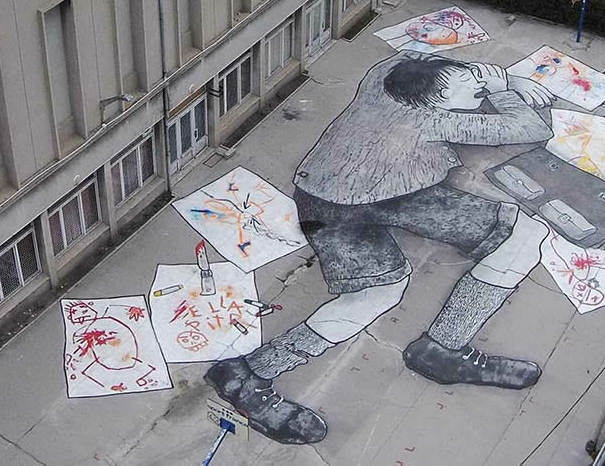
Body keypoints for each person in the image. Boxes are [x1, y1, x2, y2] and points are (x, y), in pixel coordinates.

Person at [206, 54, 557, 444]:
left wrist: (495, 73)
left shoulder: (381, 79)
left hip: (323, 194)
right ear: (437, 97)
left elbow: (413, 57)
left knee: (375, 293)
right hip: (384, 196)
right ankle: (442, 349)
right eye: (469, 81)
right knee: (521, 236)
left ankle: (249, 374)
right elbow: (531, 127)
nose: (479, 81)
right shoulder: (438, 120)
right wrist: (504, 89)